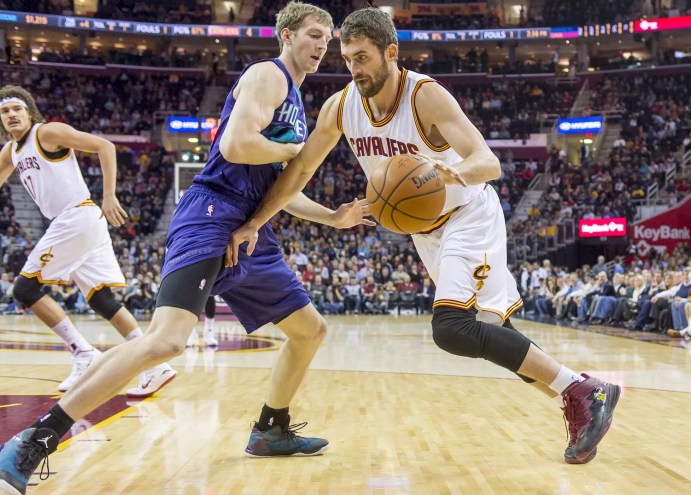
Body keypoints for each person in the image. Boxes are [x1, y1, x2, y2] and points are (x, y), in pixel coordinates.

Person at [0, 3, 373, 493]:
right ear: (287, 35)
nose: (323, 44)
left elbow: (280, 189)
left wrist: (333, 216)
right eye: (314, 34)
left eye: (328, 37)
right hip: (213, 212)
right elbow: (237, 146)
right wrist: (295, 152)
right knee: (166, 341)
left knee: (309, 330)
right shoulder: (268, 75)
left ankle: (270, 429)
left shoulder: (295, 101)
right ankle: (35, 439)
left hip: (250, 226)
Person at [228, 7, 620, 465]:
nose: (354, 69)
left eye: (362, 58)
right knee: (493, 333)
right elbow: (299, 170)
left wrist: (452, 172)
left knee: (451, 328)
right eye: (348, 59)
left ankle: (582, 390)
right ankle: (580, 394)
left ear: (391, 53)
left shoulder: (424, 96)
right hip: (426, 233)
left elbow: (488, 162)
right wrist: (257, 221)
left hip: (468, 216)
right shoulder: (341, 107)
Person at [0, 85, 176, 400]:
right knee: (101, 299)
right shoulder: (10, 151)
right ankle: (155, 365)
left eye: (17, 109)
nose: (11, 115)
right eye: (5, 111)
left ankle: (83, 352)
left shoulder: (47, 132)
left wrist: (109, 196)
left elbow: (104, 146)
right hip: (79, 223)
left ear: (29, 112)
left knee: (24, 289)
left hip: (76, 217)